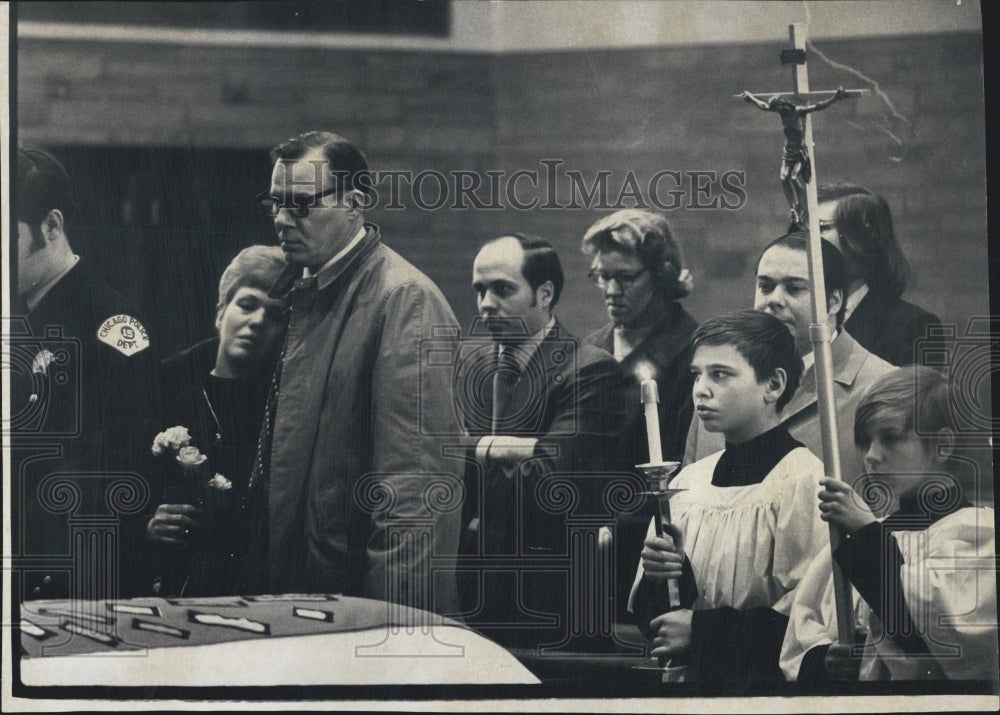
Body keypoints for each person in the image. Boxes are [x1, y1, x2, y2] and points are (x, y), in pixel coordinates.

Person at [256, 131, 461, 614]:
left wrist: (396, 625)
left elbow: (414, 491)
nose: (282, 221)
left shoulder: (403, 300)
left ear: (357, 201)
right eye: (275, 203)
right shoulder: (304, 290)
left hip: (356, 610)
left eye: (301, 205)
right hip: (298, 597)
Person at [629, 310, 827, 688]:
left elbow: (807, 622)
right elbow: (657, 623)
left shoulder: (803, 480)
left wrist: (703, 633)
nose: (700, 389)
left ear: (773, 385)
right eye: (696, 375)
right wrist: (664, 575)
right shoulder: (689, 481)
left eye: (720, 374)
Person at [456, 233, 630, 649]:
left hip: (549, 604)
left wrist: (469, 449)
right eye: (480, 290)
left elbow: (550, 481)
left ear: (545, 293)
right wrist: (503, 449)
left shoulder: (591, 370)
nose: (485, 304)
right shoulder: (468, 365)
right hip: (469, 596)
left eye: (502, 289)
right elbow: (428, 462)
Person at [780, 366, 997, 685]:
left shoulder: (979, 534)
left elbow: (926, 638)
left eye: (890, 438)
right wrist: (824, 660)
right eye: (865, 441)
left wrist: (867, 534)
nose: (871, 456)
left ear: (942, 445)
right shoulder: (853, 538)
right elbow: (801, 639)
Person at [12, 146, 159, 601]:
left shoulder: (116, 324)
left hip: (75, 583)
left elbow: (116, 474)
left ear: (51, 226)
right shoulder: (18, 318)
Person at [683, 232, 895, 486]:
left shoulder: (881, 387)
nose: (774, 300)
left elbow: (887, 515)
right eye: (765, 286)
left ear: (834, 302)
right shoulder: (715, 383)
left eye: (794, 288)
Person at [145, 246, 288, 596]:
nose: (257, 322)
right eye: (247, 304)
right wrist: (147, 523)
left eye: (275, 315)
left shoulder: (287, 401)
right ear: (221, 311)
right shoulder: (163, 384)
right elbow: (120, 479)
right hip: (168, 582)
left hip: (253, 585)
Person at [580, 209, 698, 620]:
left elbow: (687, 461)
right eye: (601, 276)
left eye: (626, 278)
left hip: (649, 549)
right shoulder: (589, 350)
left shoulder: (691, 353)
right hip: (581, 552)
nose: (611, 289)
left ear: (662, 275)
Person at [816, 183, 941, 366]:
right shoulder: (792, 318)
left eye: (821, 228)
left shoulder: (913, 327)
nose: (804, 240)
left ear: (861, 238)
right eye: (802, 230)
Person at [741, 87, 847, 227]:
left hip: (799, 151)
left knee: (794, 177)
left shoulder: (798, 112)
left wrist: (835, 98)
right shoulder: (782, 113)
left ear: (784, 105)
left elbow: (818, 106)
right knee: (783, 178)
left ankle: (803, 205)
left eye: (779, 108)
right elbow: (764, 106)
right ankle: (793, 208)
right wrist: (751, 98)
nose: (780, 112)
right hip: (788, 150)